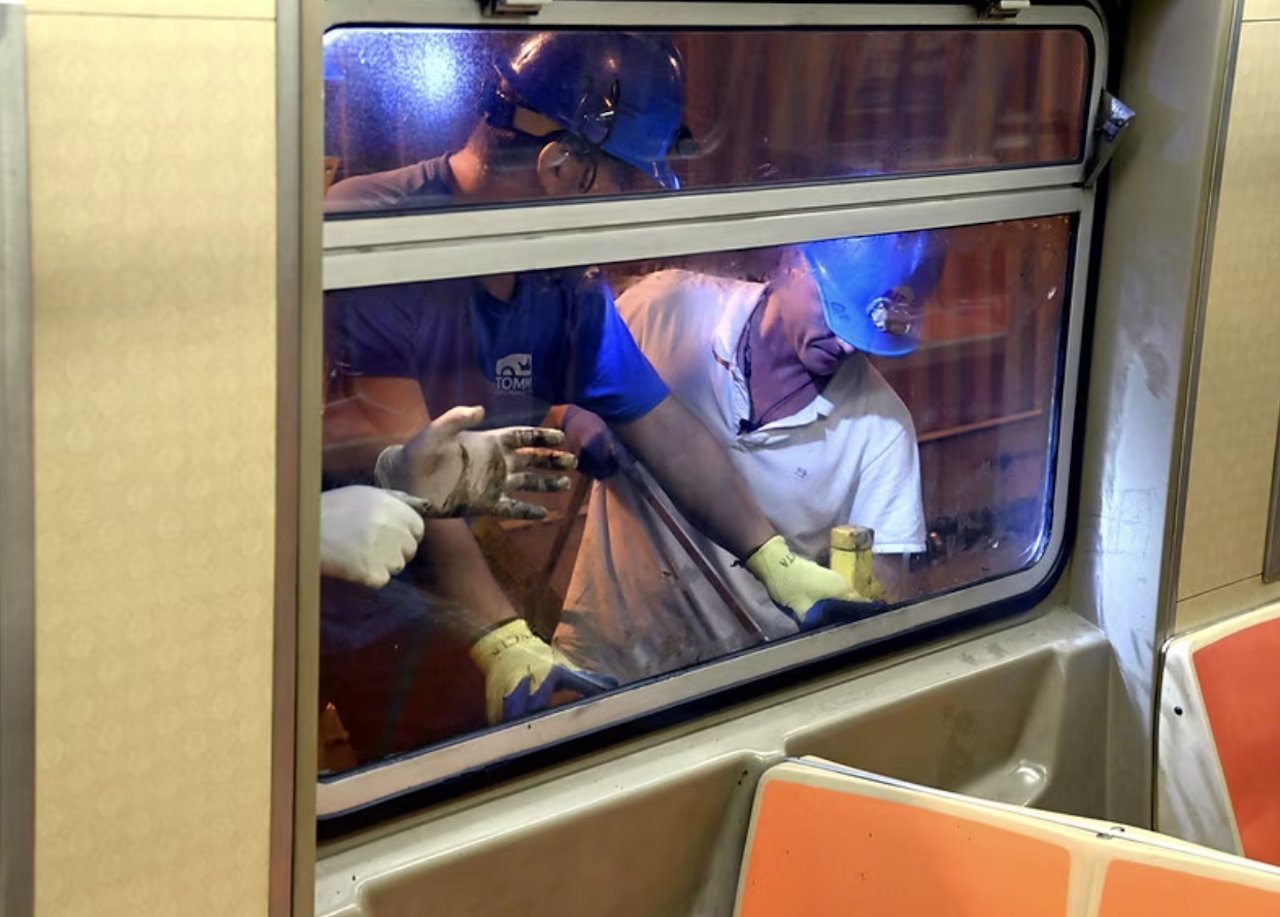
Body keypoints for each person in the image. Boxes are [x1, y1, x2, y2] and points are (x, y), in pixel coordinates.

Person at [323, 30, 861, 729]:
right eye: (623, 182)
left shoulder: (561, 276)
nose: (624, 210)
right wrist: (506, 639)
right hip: (320, 588)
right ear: (558, 165)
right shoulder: (376, 238)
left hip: (436, 599)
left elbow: (659, 422)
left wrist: (774, 559)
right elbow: (418, 474)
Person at [554, 231, 947, 684]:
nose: (847, 347)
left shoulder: (882, 430)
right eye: (837, 316)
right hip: (604, 659)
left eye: (864, 334)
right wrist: (573, 418)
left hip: (744, 686)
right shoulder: (662, 307)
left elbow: (881, 600)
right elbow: (560, 396)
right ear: (792, 259)